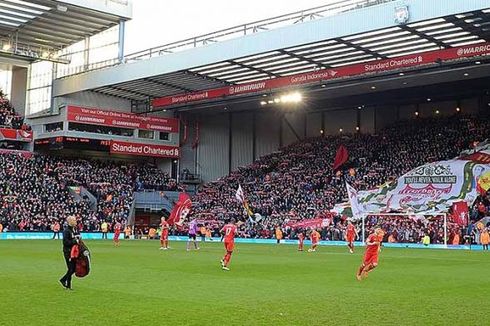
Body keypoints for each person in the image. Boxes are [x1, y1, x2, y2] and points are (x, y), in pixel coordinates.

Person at [59, 216, 79, 290]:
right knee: (71, 268)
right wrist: (74, 241)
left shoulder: (73, 230)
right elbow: (65, 242)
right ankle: (66, 283)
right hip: (68, 252)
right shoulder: (66, 231)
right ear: (70, 222)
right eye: (74, 220)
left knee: (72, 269)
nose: (76, 221)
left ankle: (65, 282)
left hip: (72, 252)